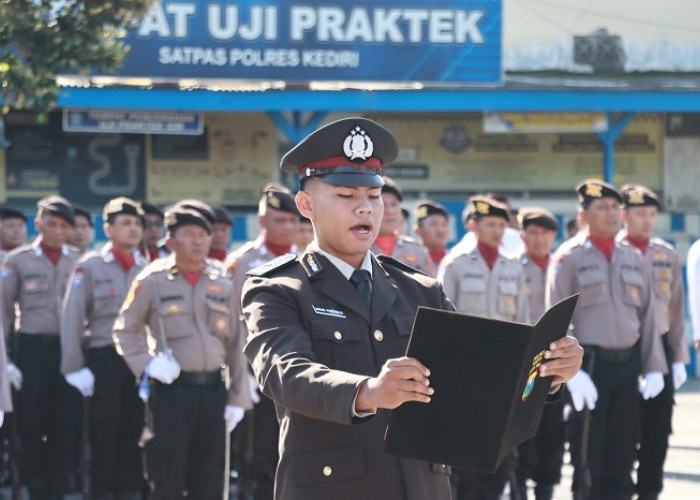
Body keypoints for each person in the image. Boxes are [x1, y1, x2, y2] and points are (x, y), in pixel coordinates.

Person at [241, 117, 582, 500]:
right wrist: (367, 391)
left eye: (373, 196)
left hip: (423, 486)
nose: (365, 210)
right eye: (345, 196)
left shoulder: (418, 288)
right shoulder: (277, 288)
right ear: (306, 204)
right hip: (332, 487)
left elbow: (479, 375)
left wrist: (546, 373)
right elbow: (284, 374)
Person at [113, 202, 251, 500]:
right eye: (190, 234)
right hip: (171, 394)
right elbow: (125, 330)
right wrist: (148, 365)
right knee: (167, 479)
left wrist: (238, 397)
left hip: (214, 392)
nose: (199, 240)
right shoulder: (153, 280)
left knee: (210, 480)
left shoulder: (221, 282)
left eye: (204, 234)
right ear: (171, 241)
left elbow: (237, 342)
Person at [547, 179, 666, 500]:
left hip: (627, 367)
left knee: (624, 452)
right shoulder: (569, 256)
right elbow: (556, 318)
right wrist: (572, 374)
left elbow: (648, 315)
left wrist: (655, 365)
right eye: (602, 207)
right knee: (588, 456)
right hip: (590, 368)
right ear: (584, 214)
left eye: (616, 207)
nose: (612, 214)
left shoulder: (632, 256)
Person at [439, 195, 529, 500]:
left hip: (503, 377)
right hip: (464, 375)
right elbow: (441, 320)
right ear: (473, 226)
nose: (497, 230)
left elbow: (524, 323)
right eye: (490, 224)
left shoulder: (512, 268)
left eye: (502, 225)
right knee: (464, 461)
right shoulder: (455, 265)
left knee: (500, 457)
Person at [60, 197, 148, 500]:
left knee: (135, 432)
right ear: (108, 228)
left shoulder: (148, 268)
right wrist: (74, 367)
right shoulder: (91, 266)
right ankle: (101, 492)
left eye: (137, 223)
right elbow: (72, 318)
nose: (133, 229)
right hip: (104, 358)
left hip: (139, 362)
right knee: (104, 433)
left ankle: (128, 491)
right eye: (125, 223)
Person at [1, 195, 81, 499]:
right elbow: (4, 312)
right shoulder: (18, 260)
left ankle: (60, 485)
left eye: (63, 225)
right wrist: (6, 361)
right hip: (31, 349)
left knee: (65, 420)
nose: (57, 231)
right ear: (38, 224)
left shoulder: (79, 261)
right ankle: (34, 485)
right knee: (31, 422)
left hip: (69, 349)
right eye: (51, 223)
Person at [224, 183, 299, 500]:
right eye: (279, 220)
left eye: (291, 220)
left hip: (298, 365)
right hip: (257, 367)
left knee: (294, 445)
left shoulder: (308, 260)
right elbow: (233, 323)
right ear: (262, 221)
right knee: (258, 447)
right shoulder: (242, 262)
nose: (287, 227)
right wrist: (240, 374)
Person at [617, 184, 689, 500]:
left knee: (657, 428)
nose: (647, 220)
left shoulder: (666, 254)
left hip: (661, 344)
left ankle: (650, 490)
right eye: (639, 214)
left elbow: (675, 308)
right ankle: (618, 487)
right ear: (624, 216)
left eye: (651, 214)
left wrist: (678, 359)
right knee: (621, 426)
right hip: (624, 347)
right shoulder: (614, 252)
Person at [514, 207, 564, 500]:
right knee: (520, 434)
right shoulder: (513, 267)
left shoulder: (561, 264)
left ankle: (545, 490)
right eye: (533, 232)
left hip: (554, 365)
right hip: (521, 365)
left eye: (545, 233)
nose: (539, 239)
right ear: (522, 235)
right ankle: (519, 488)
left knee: (552, 435)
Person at [371, 176, 432, 274]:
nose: (390, 211)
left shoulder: (417, 251)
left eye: (394, 204)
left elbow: (430, 287)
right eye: (383, 204)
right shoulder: (357, 248)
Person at [413, 199, 450, 271]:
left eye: (444, 224)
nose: (440, 230)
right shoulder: (410, 261)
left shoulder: (456, 261)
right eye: (433, 224)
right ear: (418, 230)